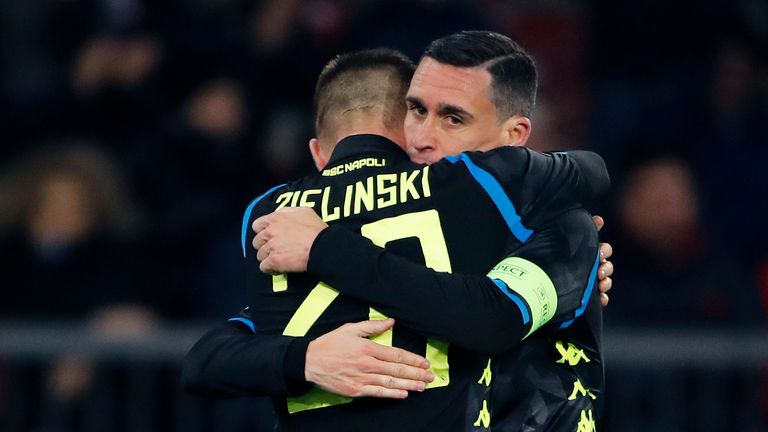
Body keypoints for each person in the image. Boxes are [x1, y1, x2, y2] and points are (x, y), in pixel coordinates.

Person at [185, 38, 607, 431]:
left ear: (515, 140)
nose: (420, 139)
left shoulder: (559, 224)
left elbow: (491, 318)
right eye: (416, 111)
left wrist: (323, 248)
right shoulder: (424, 208)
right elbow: (213, 355)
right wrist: (306, 357)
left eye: (453, 118)